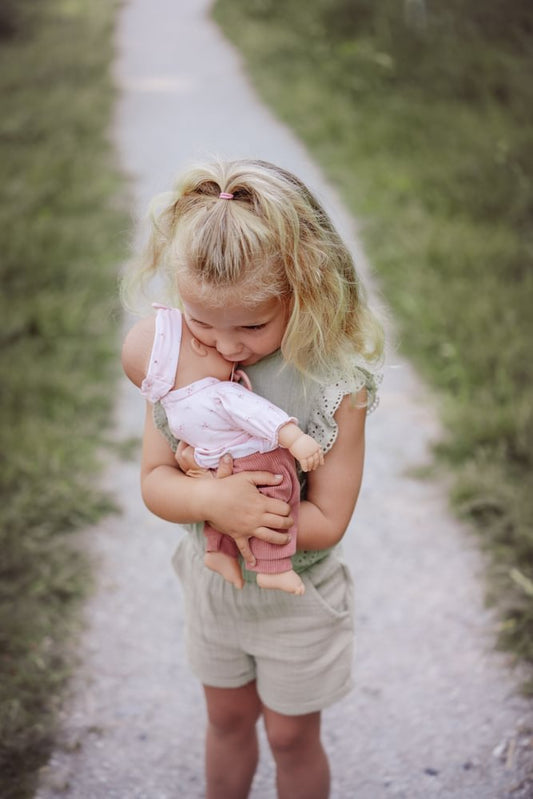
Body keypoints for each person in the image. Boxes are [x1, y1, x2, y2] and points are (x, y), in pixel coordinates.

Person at [121, 159, 384, 799]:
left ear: (308, 287)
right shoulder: (177, 361)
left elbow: (329, 519)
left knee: (292, 737)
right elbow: (156, 478)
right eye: (203, 320)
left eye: (252, 326)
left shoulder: (334, 387)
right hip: (215, 592)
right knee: (227, 719)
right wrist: (210, 499)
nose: (226, 346)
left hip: (301, 596)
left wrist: (249, 516)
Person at [139, 304, 324, 593]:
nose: (226, 348)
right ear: (196, 348)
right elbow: (259, 414)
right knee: (278, 487)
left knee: (221, 483)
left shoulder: (173, 406)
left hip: (217, 467)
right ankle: (273, 568)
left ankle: (217, 551)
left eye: (252, 326)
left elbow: (186, 451)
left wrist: (212, 493)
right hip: (254, 459)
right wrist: (295, 439)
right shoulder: (220, 392)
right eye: (203, 330)